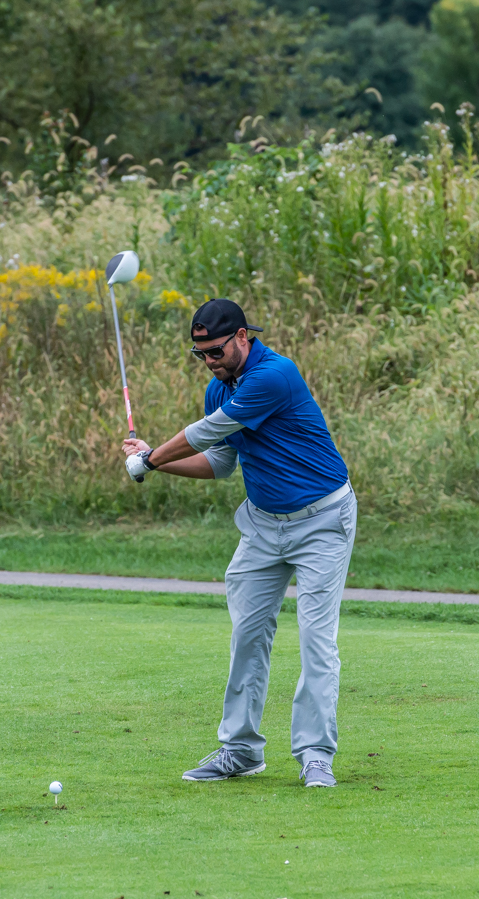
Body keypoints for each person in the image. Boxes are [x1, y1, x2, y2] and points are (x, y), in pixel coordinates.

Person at [120, 298, 355, 789]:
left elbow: (208, 431)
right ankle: (241, 750)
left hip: (322, 520)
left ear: (243, 337)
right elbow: (219, 462)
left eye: (217, 351)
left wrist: (152, 457)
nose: (210, 361)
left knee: (316, 641)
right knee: (247, 636)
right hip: (263, 526)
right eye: (200, 354)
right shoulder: (218, 388)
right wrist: (156, 463)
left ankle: (315, 755)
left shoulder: (275, 375)